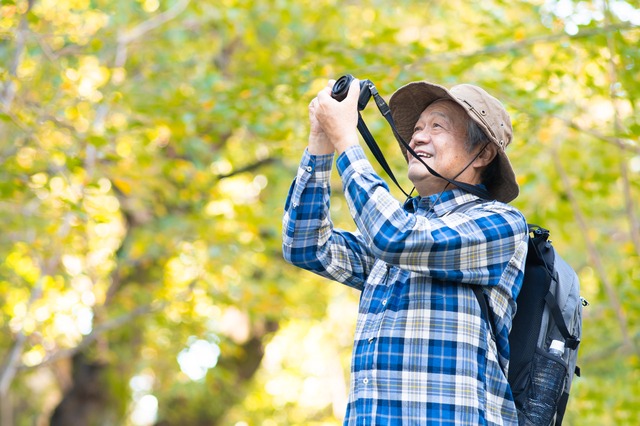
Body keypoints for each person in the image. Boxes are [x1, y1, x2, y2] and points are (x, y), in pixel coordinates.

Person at [282, 77, 529, 425]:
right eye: (416, 128)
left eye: (437, 127)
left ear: (483, 153)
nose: (417, 137)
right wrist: (321, 140)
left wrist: (347, 140)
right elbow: (306, 247)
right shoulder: (402, 228)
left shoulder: (500, 225)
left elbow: (395, 237)